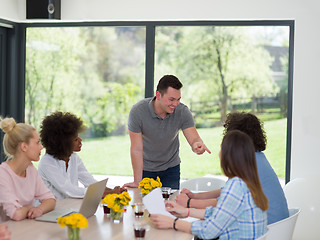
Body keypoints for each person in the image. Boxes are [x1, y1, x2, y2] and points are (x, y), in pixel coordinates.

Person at [151, 130, 268, 239]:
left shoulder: (235, 186)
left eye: (222, 149)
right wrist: (186, 211)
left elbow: (208, 231)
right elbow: (219, 213)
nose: (219, 153)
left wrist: (173, 223)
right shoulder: (248, 182)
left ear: (229, 156)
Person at [175, 112, 289, 224]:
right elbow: (226, 192)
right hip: (278, 228)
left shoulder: (246, 164)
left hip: (266, 230)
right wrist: (195, 196)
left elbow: (223, 203)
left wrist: (189, 203)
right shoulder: (257, 158)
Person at [123, 75, 211, 189]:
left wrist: (196, 145)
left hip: (171, 169)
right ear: (158, 95)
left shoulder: (182, 111)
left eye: (178, 99)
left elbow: (194, 138)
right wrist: (137, 181)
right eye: (171, 99)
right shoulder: (138, 112)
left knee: (171, 205)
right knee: (146, 205)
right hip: (146, 170)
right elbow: (136, 149)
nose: (175, 104)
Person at [38, 111, 126, 201]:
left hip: (69, 208)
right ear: (63, 144)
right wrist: (107, 193)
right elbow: (69, 190)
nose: (80, 140)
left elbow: (90, 183)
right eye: (75, 139)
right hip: (51, 212)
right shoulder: (47, 163)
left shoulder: (73, 157)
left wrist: (115, 191)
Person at [0, 117, 56, 222]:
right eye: (37, 142)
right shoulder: (2, 174)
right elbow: (15, 214)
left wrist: (39, 209)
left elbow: (51, 200)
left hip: (25, 229)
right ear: (24, 147)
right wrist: (30, 208)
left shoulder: (30, 169)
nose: (41, 147)